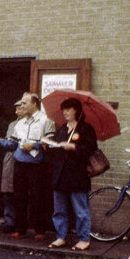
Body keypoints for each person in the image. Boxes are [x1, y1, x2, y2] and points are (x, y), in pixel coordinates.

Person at [0, 92, 55, 240]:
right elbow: (12, 143)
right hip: (19, 163)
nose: (22, 106)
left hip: (37, 165)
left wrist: (34, 145)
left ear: (34, 104)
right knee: (19, 196)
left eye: (25, 103)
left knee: (38, 197)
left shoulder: (46, 121)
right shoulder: (19, 123)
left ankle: (40, 230)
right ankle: (21, 228)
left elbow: (51, 142)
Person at [45, 97, 97, 251]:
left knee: (80, 209)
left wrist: (73, 147)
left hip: (77, 176)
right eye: (63, 110)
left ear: (77, 110)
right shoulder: (62, 129)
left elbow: (90, 149)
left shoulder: (86, 129)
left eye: (68, 109)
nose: (65, 112)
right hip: (60, 176)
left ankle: (84, 239)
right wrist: (47, 143)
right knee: (59, 209)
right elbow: (55, 148)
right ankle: (61, 237)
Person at [0, 99, 26, 233]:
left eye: (19, 108)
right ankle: (9, 221)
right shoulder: (13, 124)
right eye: (16, 109)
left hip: (24, 160)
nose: (16, 112)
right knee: (8, 192)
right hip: (11, 159)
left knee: (21, 193)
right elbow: (9, 142)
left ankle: (23, 223)